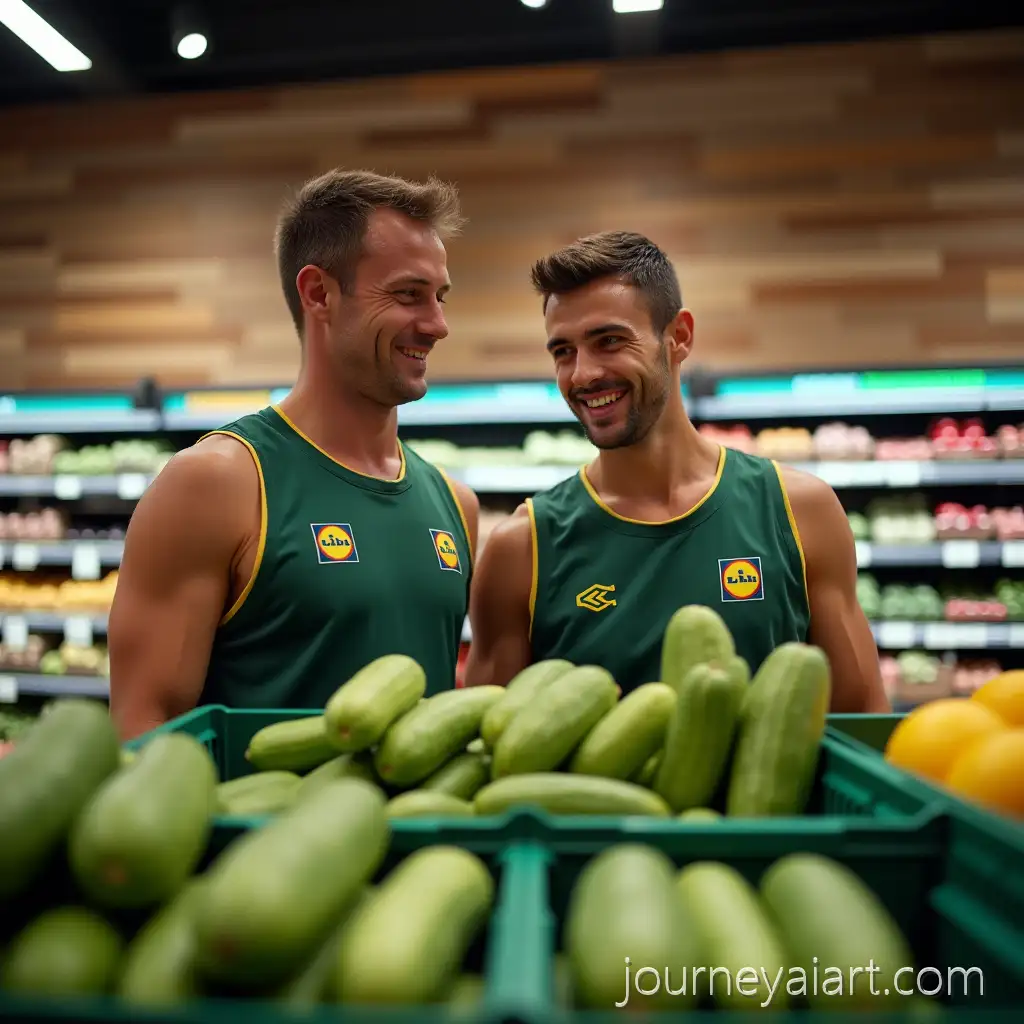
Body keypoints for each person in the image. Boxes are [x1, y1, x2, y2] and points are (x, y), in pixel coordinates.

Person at [108, 169, 480, 739]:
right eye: (408, 294)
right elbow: (143, 730)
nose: (437, 324)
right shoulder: (216, 483)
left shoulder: (456, 505)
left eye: (439, 297)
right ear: (319, 294)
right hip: (261, 830)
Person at [464, 231, 890, 713]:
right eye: (563, 351)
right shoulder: (521, 549)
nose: (582, 374)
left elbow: (861, 719)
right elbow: (491, 748)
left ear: (679, 337)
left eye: (609, 341)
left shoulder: (800, 511)